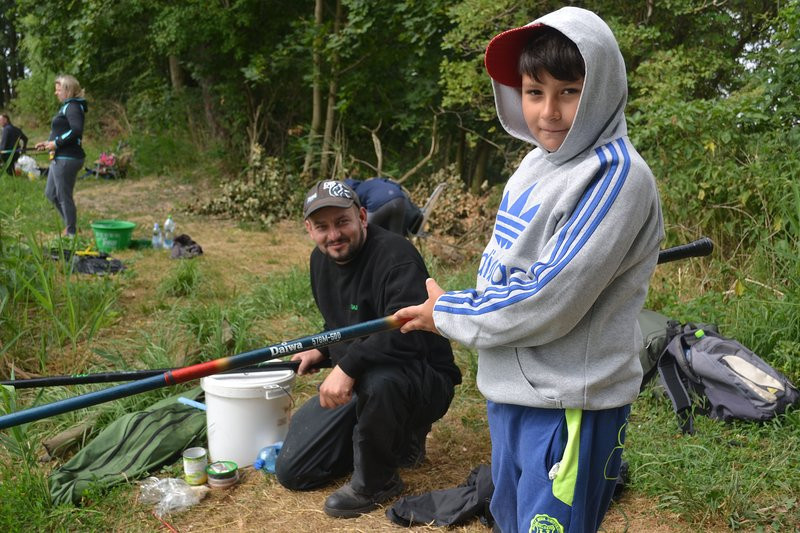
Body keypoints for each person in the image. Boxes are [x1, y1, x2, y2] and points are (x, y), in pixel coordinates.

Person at [395, 7, 664, 533]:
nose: (549, 112)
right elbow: (509, 268)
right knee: (509, 518)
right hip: (512, 391)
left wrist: (448, 310)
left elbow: (548, 297)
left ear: (603, 87)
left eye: (569, 91)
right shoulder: (536, 163)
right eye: (535, 92)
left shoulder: (615, 176)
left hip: (568, 402)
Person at [275, 179, 462, 519]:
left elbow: (411, 332)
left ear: (361, 216)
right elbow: (341, 322)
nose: (334, 235)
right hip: (364, 377)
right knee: (294, 471)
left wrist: (347, 368)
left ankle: (378, 481)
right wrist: (322, 349)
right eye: (322, 227)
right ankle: (396, 440)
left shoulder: (397, 255)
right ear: (309, 229)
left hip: (423, 377)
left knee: (381, 378)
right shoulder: (320, 262)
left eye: (342, 222)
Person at [35, 75, 88, 237]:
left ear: (68, 90)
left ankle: (71, 233)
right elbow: (64, 131)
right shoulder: (68, 106)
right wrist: (47, 142)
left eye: (58, 90)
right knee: (50, 193)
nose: (55, 93)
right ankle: (70, 225)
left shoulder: (72, 106)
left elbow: (76, 130)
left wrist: (56, 143)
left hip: (68, 158)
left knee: (63, 196)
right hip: (60, 156)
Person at [344, 177, 423, 237]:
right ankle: (400, 257)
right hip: (399, 199)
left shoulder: (353, 193)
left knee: (365, 233)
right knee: (397, 237)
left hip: (378, 203)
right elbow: (398, 186)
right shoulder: (373, 182)